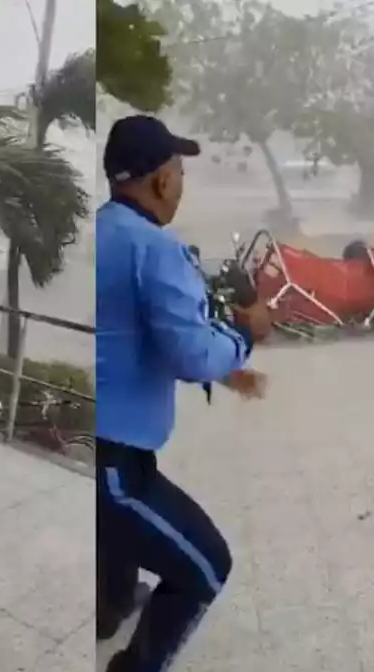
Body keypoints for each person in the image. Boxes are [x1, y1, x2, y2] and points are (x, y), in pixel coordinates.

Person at [96, 115, 274, 672]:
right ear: (161, 181)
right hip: (112, 462)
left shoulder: (101, 231)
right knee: (204, 566)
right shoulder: (155, 249)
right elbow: (192, 350)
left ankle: (110, 606)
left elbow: (140, 338)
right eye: (178, 169)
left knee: (116, 540)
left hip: (103, 442)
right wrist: (247, 333)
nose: (180, 182)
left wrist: (224, 369)